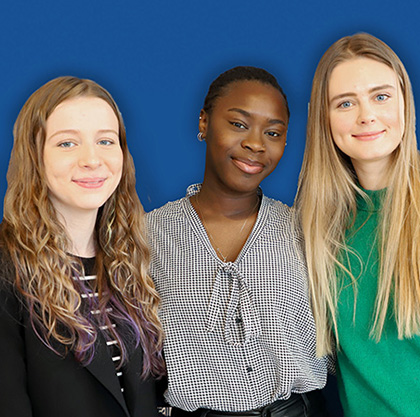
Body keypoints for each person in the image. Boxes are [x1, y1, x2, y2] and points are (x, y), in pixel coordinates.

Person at [147, 66, 329, 417]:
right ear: (204, 122)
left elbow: (350, 349)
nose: (256, 143)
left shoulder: (306, 232)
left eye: (273, 132)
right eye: (238, 124)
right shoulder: (147, 236)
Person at [0, 76, 165, 417]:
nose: (92, 160)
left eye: (105, 141)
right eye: (67, 144)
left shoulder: (130, 260)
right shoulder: (6, 266)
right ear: (34, 155)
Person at [295, 33, 420, 416]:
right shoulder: (318, 228)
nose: (366, 115)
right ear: (325, 119)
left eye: (380, 96)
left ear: (404, 102)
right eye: (346, 103)